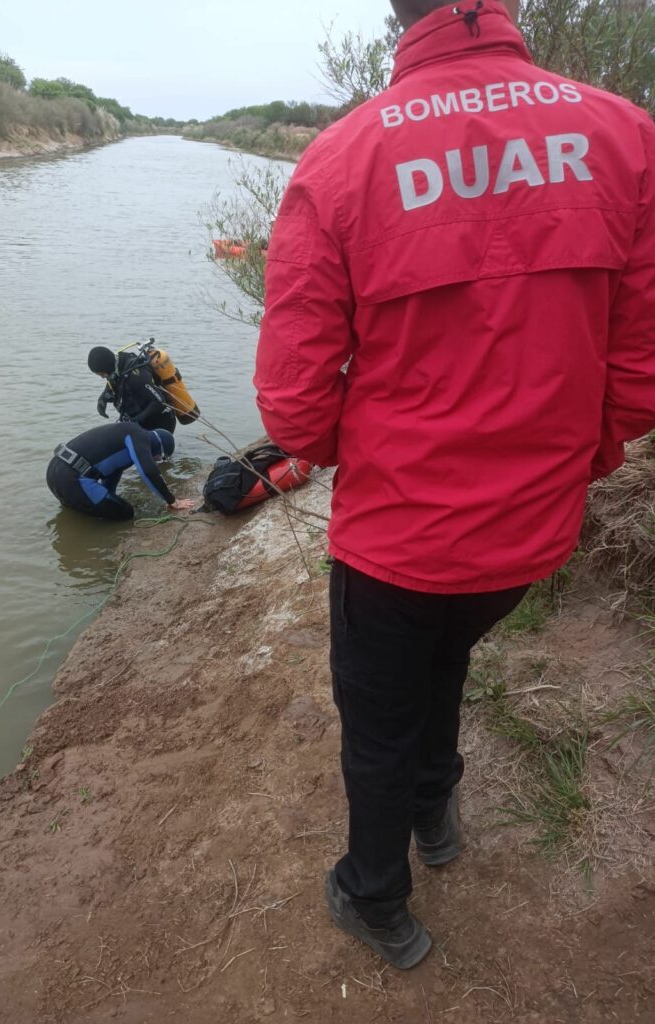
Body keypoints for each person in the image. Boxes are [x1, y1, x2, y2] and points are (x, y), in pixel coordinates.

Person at [255, 0, 655, 970]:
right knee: (445, 655)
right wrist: (566, 461)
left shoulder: (341, 163)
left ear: (398, 10)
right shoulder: (625, 137)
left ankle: (375, 895)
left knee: (379, 718)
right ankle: (438, 810)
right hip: (528, 540)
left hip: (397, 540)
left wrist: (385, 443)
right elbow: (638, 377)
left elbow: (295, 411)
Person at [46, 422, 193, 520]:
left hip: (54, 473)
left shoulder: (125, 431)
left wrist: (110, 497)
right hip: (72, 481)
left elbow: (113, 471)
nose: (156, 459)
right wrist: (172, 501)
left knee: (101, 507)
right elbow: (148, 471)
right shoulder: (139, 437)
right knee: (126, 513)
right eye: (159, 457)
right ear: (159, 447)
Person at [88, 346, 177, 433]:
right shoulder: (117, 367)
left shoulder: (137, 376)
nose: (103, 377)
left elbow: (159, 402)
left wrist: (134, 421)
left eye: (102, 374)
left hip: (160, 425)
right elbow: (114, 384)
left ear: (107, 367)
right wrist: (103, 398)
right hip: (139, 422)